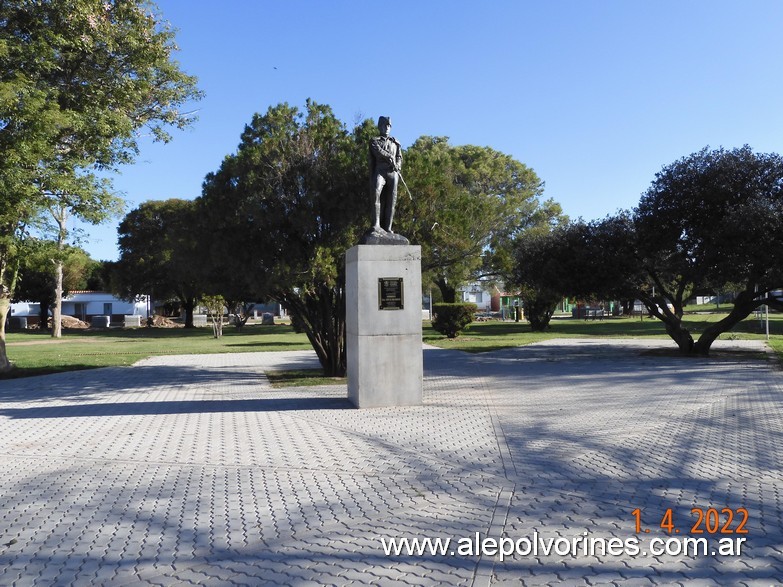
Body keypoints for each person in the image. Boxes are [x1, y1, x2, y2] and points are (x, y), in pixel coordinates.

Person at [369, 116, 403, 233]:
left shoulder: (395, 143)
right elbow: (378, 151)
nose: (387, 128)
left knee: (392, 200)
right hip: (380, 171)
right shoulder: (375, 141)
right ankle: (376, 224)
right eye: (385, 125)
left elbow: (399, 157)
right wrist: (389, 156)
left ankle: (388, 227)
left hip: (393, 173)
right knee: (376, 194)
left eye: (389, 126)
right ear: (380, 126)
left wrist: (398, 165)